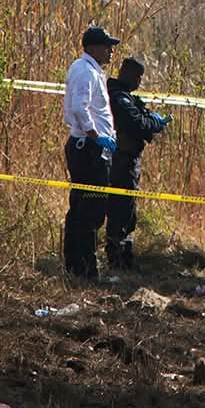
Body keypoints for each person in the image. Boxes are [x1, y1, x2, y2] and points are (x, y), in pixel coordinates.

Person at [62, 25, 120, 279]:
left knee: (82, 209)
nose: (110, 51)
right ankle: (85, 269)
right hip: (89, 149)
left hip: (88, 148)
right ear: (94, 47)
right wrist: (98, 138)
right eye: (107, 46)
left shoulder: (89, 70)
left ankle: (77, 267)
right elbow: (79, 108)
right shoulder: (85, 71)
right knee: (90, 210)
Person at [104, 57, 171, 271]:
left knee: (127, 210)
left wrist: (152, 119)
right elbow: (137, 125)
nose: (139, 81)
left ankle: (123, 258)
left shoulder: (126, 97)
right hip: (121, 161)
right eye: (138, 76)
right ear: (131, 75)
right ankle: (117, 260)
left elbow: (142, 117)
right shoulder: (118, 97)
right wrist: (154, 124)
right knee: (121, 210)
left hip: (126, 160)